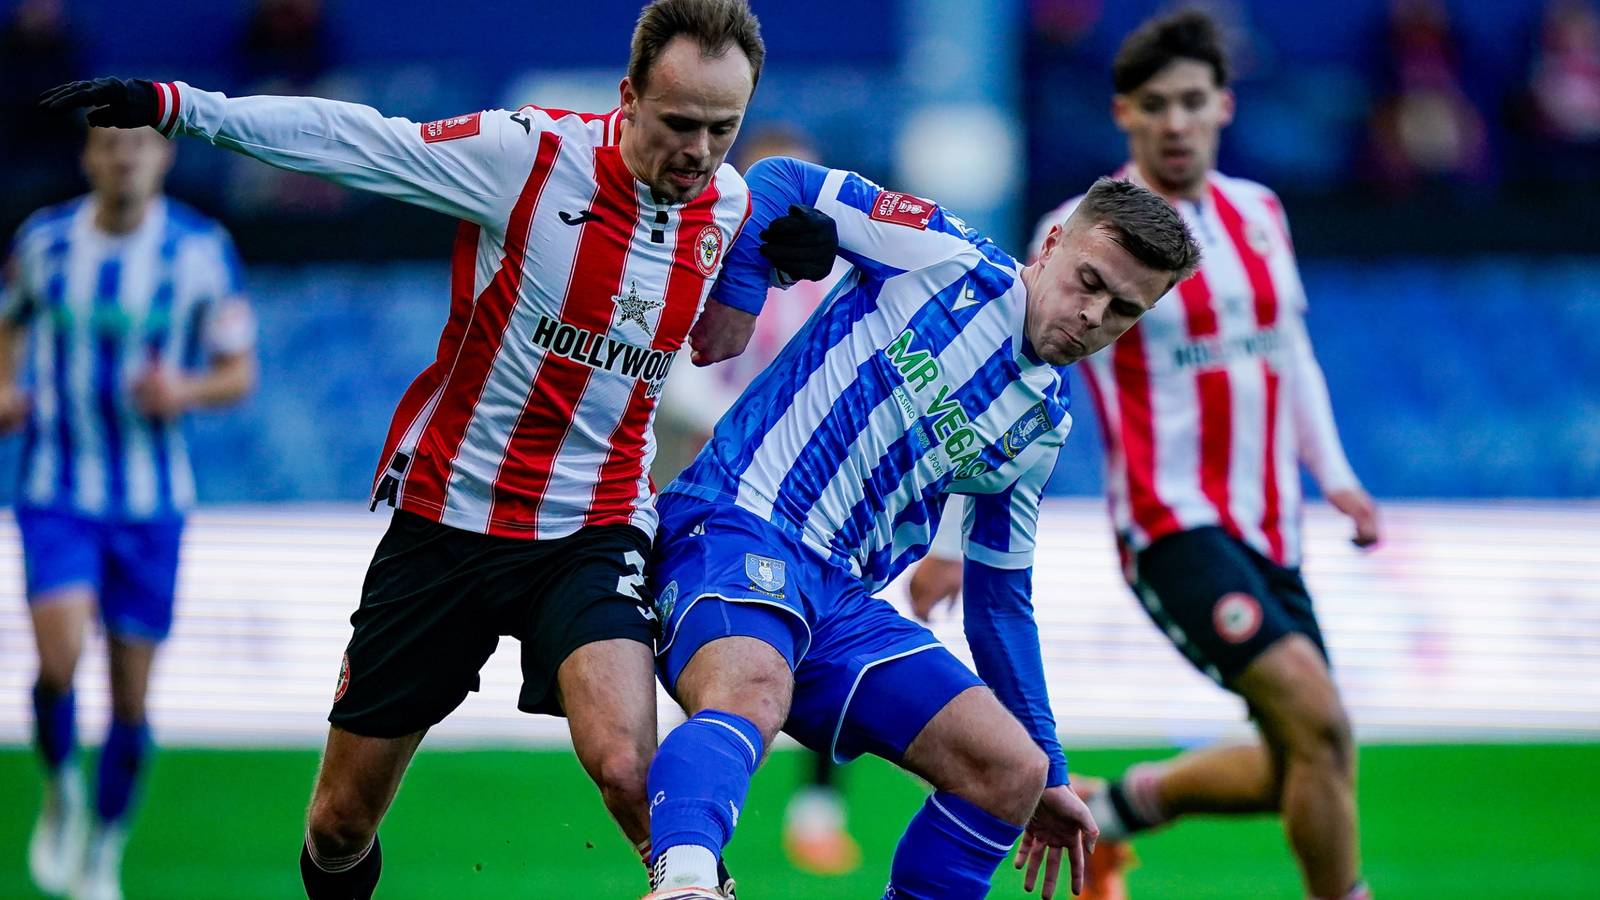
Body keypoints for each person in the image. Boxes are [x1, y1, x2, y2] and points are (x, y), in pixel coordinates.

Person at [41, 3, 835, 897]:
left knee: (628, 769)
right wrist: (181, 106)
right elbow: (355, 140)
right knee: (338, 827)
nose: (699, 151)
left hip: (594, 527)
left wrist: (787, 262)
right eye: (679, 124)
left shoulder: (730, 205)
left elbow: (723, 339)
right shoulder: (529, 157)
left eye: (722, 129)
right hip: (448, 520)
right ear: (627, 96)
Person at [909, 11, 1381, 900]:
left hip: (1274, 528)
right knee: (1318, 724)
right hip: (1171, 526)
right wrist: (948, 543)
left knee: (1308, 757)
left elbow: (1291, 354)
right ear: (1123, 112)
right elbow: (999, 381)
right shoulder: (1081, 229)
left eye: (1193, 102)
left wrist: (1340, 481)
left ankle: (1111, 811)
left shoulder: (1260, 213)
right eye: (1156, 104)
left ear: (1224, 106)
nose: (1176, 123)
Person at [641, 159, 1199, 900]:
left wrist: (1054, 770)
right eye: (1089, 281)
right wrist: (739, 300)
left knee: (1011, 770)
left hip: (839, 601)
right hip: (737, 518)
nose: (1094, 316)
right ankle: (684, 885)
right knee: (752, 689)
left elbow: (1000, 606)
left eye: (1124, 309)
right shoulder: (939, 251)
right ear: (1052, 243)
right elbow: (779, 179)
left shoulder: (1041, 424)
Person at [2, 124, 257, 900]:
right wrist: (6, 389)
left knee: (131, 700)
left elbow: (238, 372)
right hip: (56, 489)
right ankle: (61, 789)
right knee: (57, 663)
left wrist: (184, 390)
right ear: (88, 157)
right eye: (109, 146)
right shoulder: (44, 242)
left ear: (163, 156)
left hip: (152, 504)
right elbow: (9, 323)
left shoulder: (201, 250)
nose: (124, 159)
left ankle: (104, 849)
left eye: (138, 146)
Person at [653, 124, 861, 877]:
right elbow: (677, 382)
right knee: (717, 648)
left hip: (820, 505)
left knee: (827, 648)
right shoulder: (707, 266)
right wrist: (752, 429)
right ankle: (686, 805)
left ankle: (817, 810)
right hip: (719, 497)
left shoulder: (840, 288)